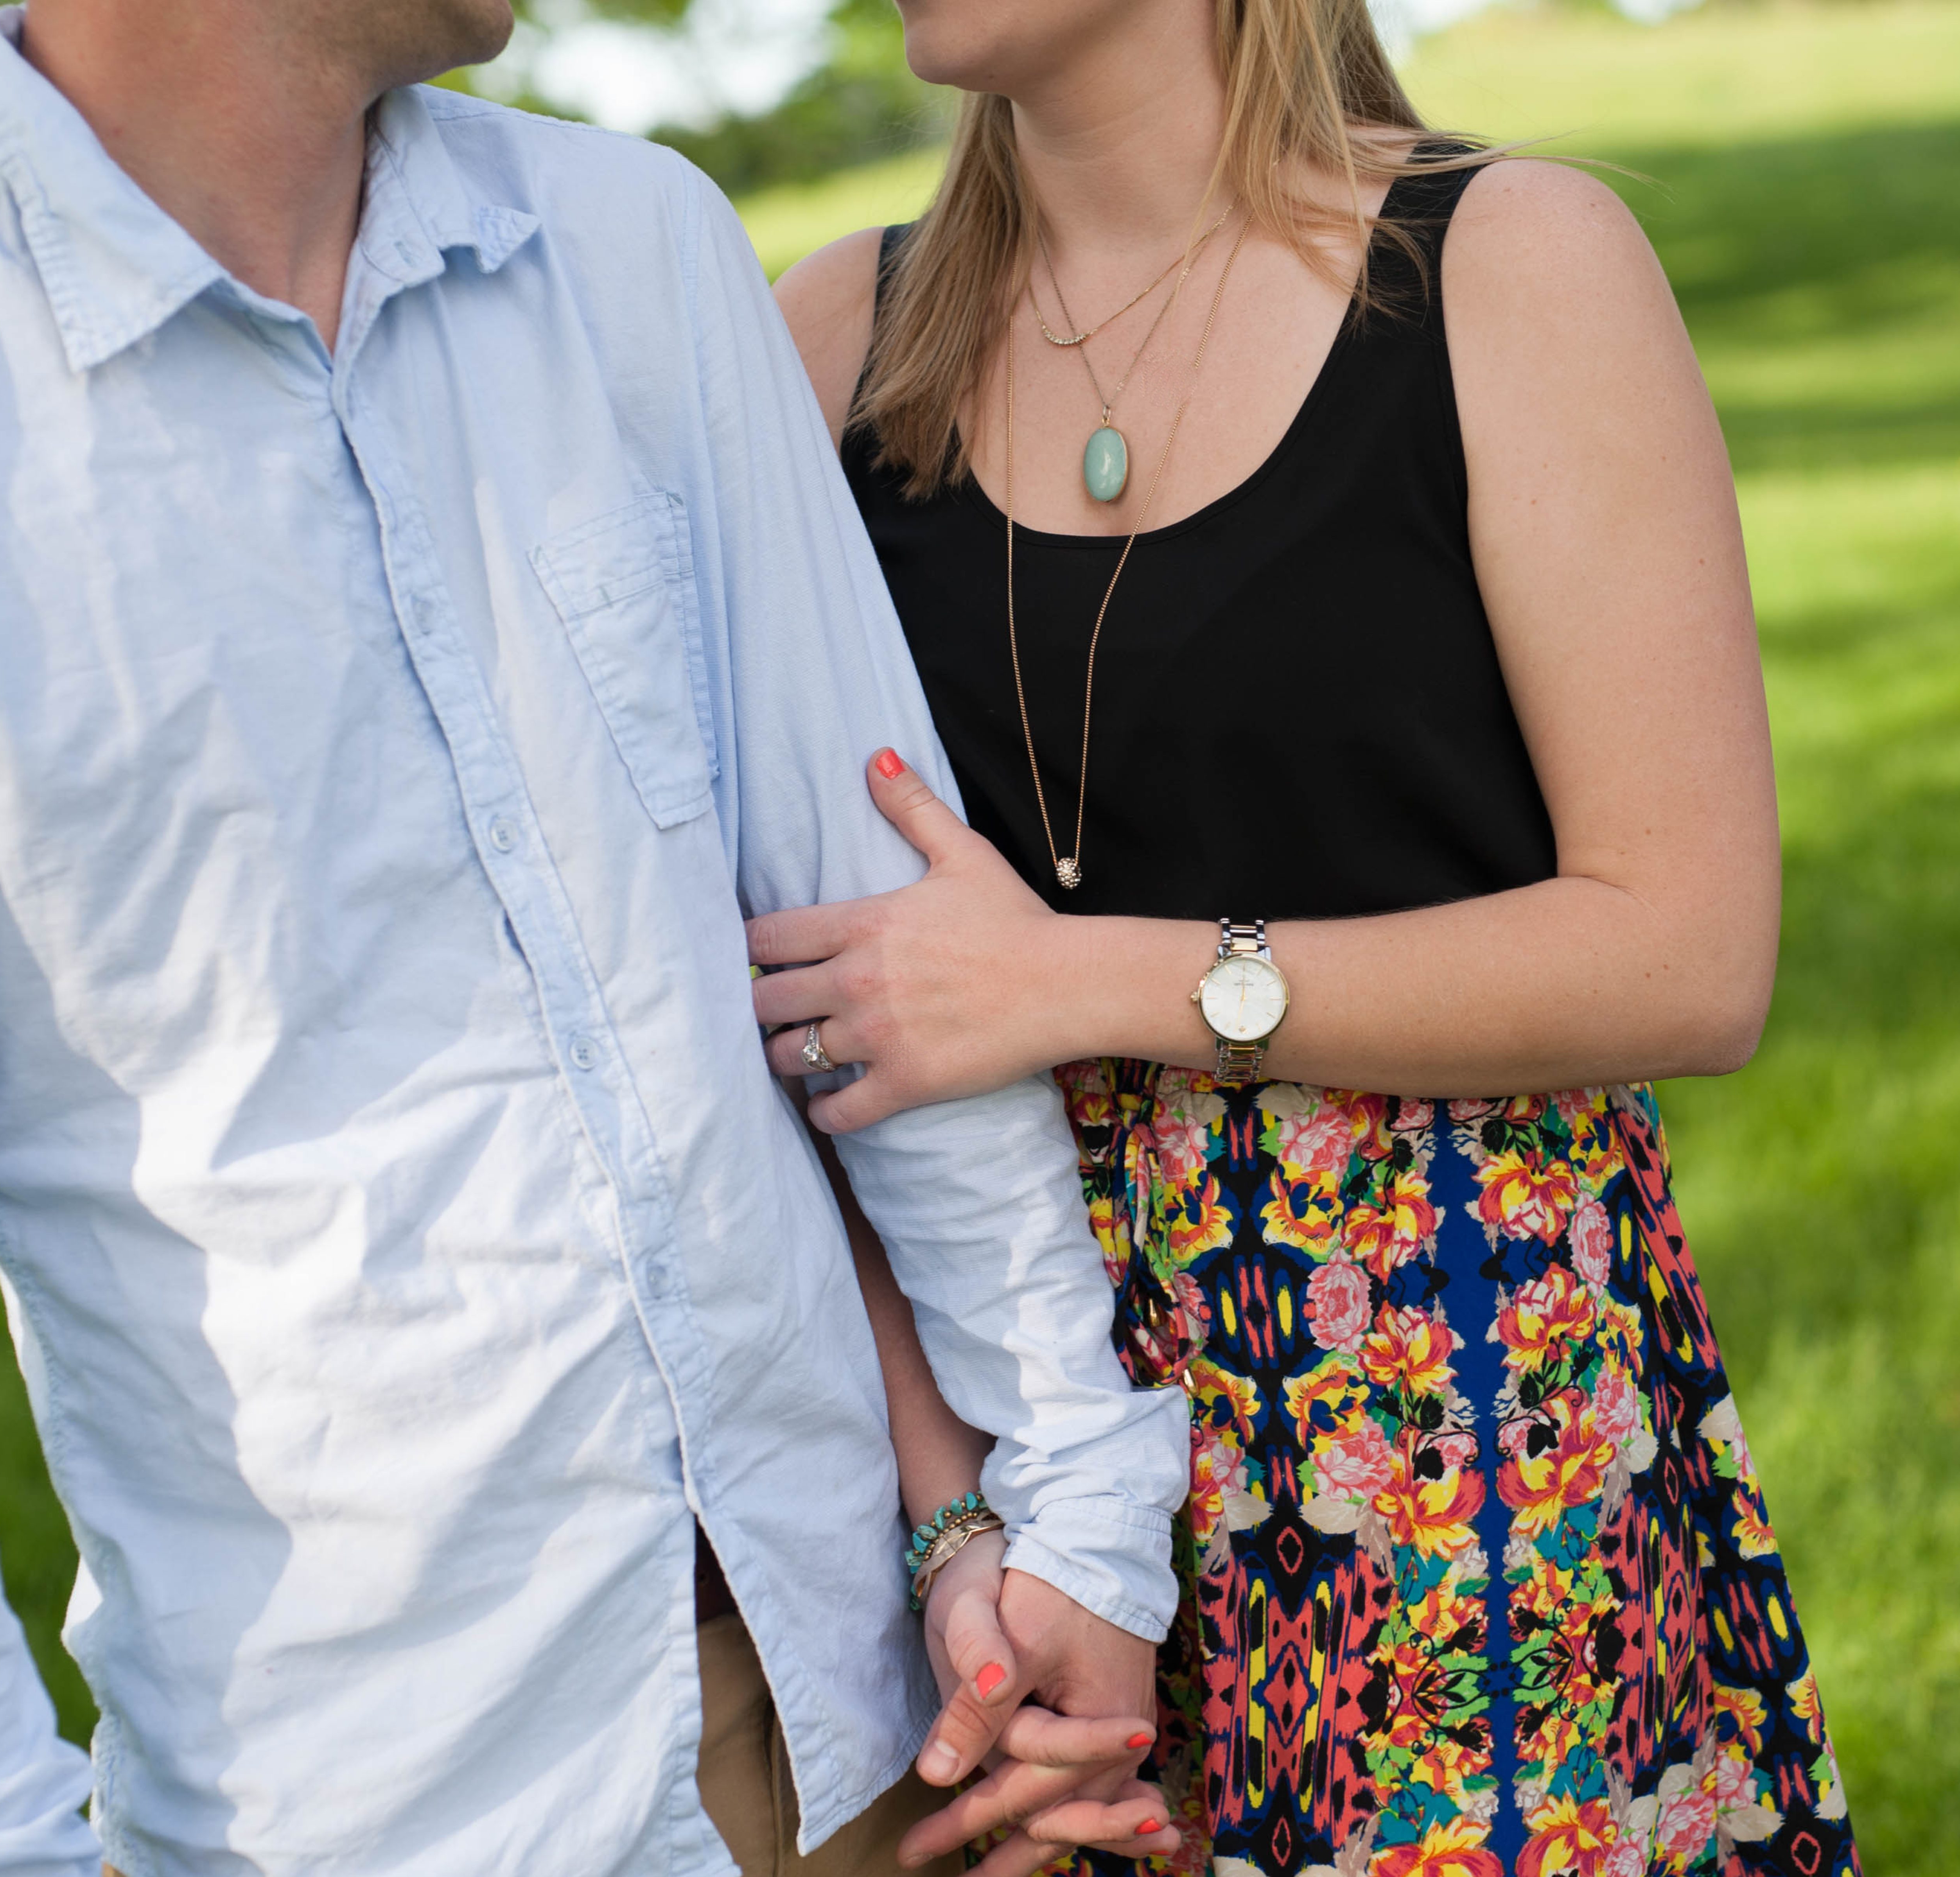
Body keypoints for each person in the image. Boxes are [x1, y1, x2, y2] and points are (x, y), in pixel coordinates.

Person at [0, 2, 1195, 1873]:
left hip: (891, 1736)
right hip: (388, 1815)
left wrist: (1067, 1497)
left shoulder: (638, 254)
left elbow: (874, 928)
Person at [757, 0, 1861, 1873]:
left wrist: (1090, 982)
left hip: (1474, 1478)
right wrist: (963, 1529)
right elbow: (768, 1029)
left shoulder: (1505, 270)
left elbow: (1689, 944)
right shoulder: (830, 343)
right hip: (1002, 1493)